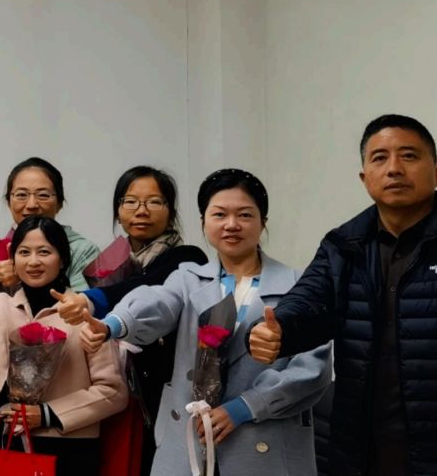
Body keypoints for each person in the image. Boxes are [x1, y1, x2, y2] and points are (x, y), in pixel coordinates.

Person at [248, 115, 437, 476]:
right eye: (379, 158)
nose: (394, 168)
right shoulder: (343, 247)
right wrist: (277, 330)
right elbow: (308, 303)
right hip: (360, 460)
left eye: (409, 155)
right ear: (365, 177)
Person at [73, 168, 330, 476]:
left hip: (265, 442)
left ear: (263, 222)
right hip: (187, 444)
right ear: (203, 222)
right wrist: (114, 324)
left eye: (245, 215)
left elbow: (312, 368)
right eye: (219, 214)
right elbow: (158, 302)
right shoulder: (188, 278)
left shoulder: (298, 285)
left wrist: (245, 407)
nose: (231, 224)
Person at [0, 215, 128, 475]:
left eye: (44, 252)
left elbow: (113, 392)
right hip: (13, 442)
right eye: (24, 252)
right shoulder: (4, 305)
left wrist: (47, 414)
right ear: (13, 260)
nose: (33, 261)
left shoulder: (85, 315)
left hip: (71, 448)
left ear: (63, 259)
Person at [57, 166, 210, 475]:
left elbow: (146, 286)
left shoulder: (187, 258)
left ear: (171, 210)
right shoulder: (110, 263)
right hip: (118, 391)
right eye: (130, 202)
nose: (141, 211)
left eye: (154, 201)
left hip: (166, 390)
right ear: (118, 209)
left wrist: (92, 299)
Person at [0, 157, 102, 292]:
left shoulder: (84, 251)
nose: (32, 205)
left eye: (43, 195)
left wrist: (25, 276)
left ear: (59, 203)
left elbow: (83, 302)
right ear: (9, 202)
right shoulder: (3, 249)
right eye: (21, 195)